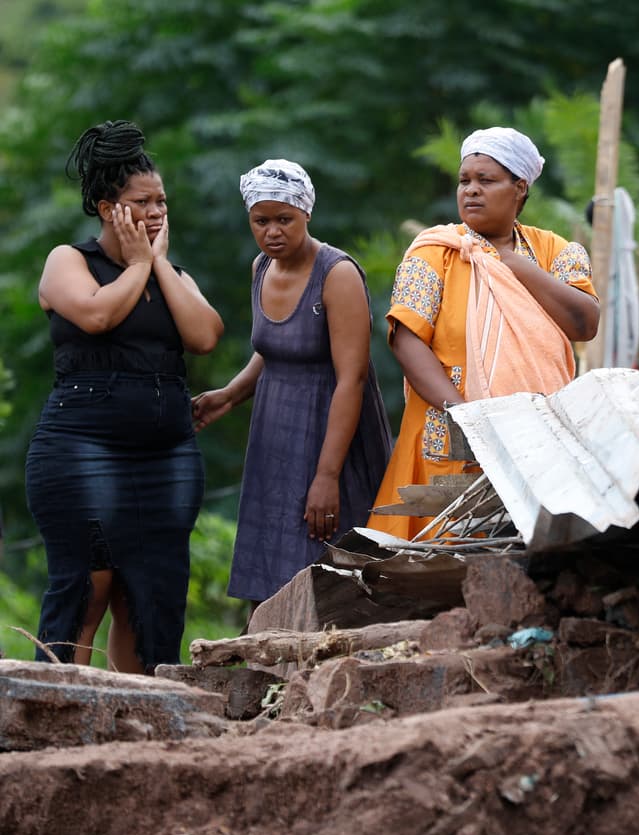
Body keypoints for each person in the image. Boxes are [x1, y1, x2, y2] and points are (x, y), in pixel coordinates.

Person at [25, 120, 224, 672]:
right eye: (143, 201)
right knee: (89, 583)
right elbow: (95, 314)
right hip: (82, 444)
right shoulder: (68, 260)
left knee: (150, 593)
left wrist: (156, 263)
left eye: (162, 200)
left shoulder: (171, 274)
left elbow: (205, 336)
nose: (158, 210)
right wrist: (138, 265)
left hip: (166, 454)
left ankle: (143, 724)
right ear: (108, 207)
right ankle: (56, 712)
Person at [368, 127, 599, 539]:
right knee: (430, 564)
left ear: (520, 188)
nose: (471, 191)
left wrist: (511, 263)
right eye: (464, 181)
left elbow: (585, 324)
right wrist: (465, 417)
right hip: (448, 437)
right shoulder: (434, 251)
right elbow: (406, 338)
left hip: (536, 441)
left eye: (486, 180)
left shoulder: (556, 253)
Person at [191, 160, 392, 606]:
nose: (272, 232)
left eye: (285, 219)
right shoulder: (261, 268)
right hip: (276, 434)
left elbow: (352, 377)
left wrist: (327, 475)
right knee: (275, 567)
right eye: (261, 221)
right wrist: (229, 394)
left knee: (331, 564)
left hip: (332, 433)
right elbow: (274, 347)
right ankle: (275, 665)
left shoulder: (336, 274)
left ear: (306, 214)